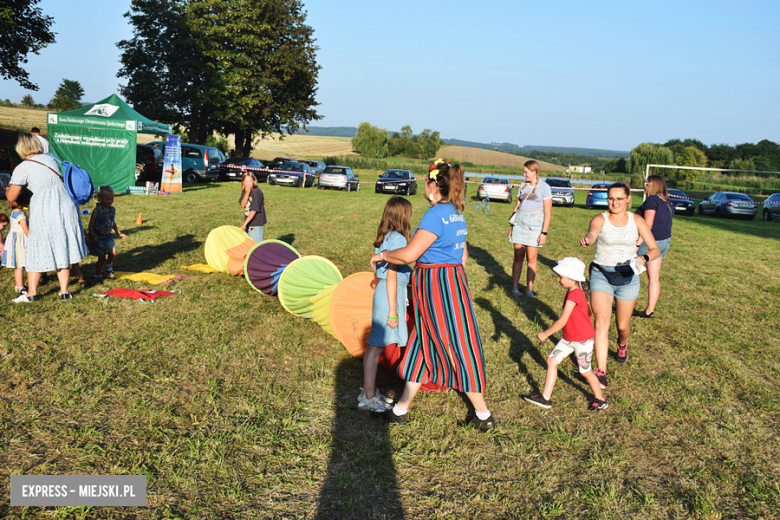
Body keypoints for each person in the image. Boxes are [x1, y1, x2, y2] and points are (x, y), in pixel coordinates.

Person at [369, 159, 496, 432]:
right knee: (421, 341)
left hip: (437, 286)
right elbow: (463, 256)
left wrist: (382, 255)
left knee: (456, 345)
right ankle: (400, 409)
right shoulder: (456, 212)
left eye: (425, 180)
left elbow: (410, 254)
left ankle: (483, 415)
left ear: (433, 185)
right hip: (450, 281)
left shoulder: (435, 215)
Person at [578, 182, 660, 387]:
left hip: (628, 278)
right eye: (611, 198)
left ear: (628, 199)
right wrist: (588, 240)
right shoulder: (600, 218)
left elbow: (655, 249)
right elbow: (592, 233)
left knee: (622, 326)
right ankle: (601, 371)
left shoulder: (637, 220)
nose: (614, 203)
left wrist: (644, 259)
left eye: (619, 199)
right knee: (601, 321)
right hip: (601, 274)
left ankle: (622, 344)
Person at [6, 133, 88, 302]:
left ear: (20, 149)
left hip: (45, 207)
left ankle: (32, 293)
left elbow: (11, 197)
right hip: (66, 204)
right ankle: (65, 292)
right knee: (62, 244)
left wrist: (10, 190)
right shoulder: (51, 159)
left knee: (36, 248)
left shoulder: (23, 167)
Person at [524, 257, 607, 411]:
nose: (558, 279)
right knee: (551, 361)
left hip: (582, 340)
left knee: (586, 372)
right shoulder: (573, 291)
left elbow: (562, 320)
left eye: (561, 277)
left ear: (572, 278)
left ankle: (600, 399)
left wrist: (546, 334)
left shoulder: (574, 295)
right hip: (569, 338)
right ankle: (546, 397)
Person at [359, 196, 413, 412]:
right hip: (389, 295)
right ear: (402, 215)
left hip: (386, 292)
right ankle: (368, 397)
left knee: (375, 346)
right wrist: (393, 311)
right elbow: (391, 276)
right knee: (376, 347)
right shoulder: (399, 239)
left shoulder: (388, 237)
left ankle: (368, 392)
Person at [509, 160, 552, 298]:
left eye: (526, 172)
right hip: (520, 222)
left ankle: (529, 289)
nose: (524, 174)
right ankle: (515, 288)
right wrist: (512, 226)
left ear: (534, 172)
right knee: (518, 256)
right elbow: (516, 207)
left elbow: (548, 212)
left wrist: (544, 232)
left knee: (531, 259)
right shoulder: (522, 186)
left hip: (535, 224)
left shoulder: (544, 187)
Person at [633, 175, 674, 319]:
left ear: (653, 185)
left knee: (629, 273)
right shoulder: (667, 203)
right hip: (663, 243)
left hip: (649, 243)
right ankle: (649, 311)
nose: (644, 186)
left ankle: (624, 305)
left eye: (646, 184)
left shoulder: (652, 200)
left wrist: (638, 244)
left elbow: (648, 224)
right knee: (654, 277)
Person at [88, 186, 127, 282]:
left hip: (108, 236)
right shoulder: (97, 211)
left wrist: (119, 232)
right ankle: (97, 275)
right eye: (107, 199)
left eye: (112, 199)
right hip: (98, 237)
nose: (110, 201)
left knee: (113, 251)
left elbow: (112, 222)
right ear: (100, 199)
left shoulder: (112, 210)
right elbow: (90, 225)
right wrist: (93, 236)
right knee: (101, 257)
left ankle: (108, 266)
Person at [1, 199, 30, 295]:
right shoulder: (20, 215)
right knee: (20, 266)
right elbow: (26, 230)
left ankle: (19, 286)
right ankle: (21, 287)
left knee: (18, 266)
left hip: (14, 241)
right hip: (20, 243)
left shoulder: (13, 212)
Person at [238, 172, 267, 243]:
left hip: (256, 223)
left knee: (255, 246)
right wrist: (247, 193)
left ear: (254, 181)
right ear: (243, 182)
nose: (248, 184)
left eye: (250, 181)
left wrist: (244, 225)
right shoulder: (245, 191)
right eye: (246, 182)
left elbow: (254, 211)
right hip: (248, 222)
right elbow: (242, 205)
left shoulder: (256, 192)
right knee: (248, 246)